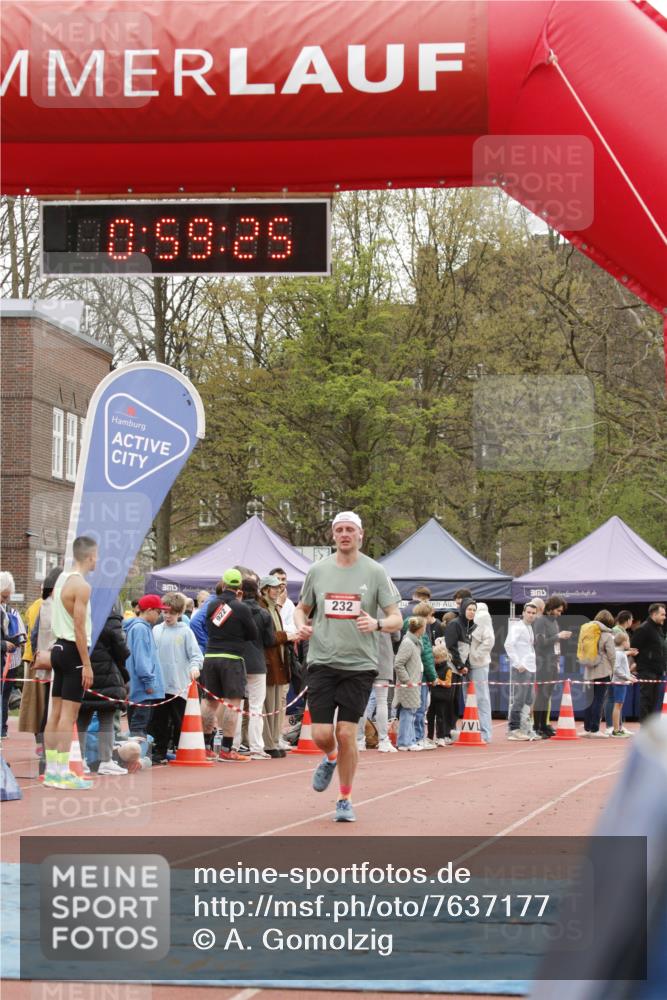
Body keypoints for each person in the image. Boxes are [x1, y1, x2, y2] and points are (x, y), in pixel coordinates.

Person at [294, 510, 401, 823]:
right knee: (321, 734)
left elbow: (396, 618)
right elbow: (301, 609)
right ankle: (330, 758)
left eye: (350, 530)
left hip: (359, 664)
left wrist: (377, 623)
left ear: (360, 535)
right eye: (339, 530)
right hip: (322, 661)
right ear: (333, 535)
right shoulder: (318, 570)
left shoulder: (375, 571)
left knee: (346, 732)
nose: (344, 534)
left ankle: (344, 798)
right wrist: (301, 625)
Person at [42, 536, 98, 790]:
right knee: (69, 715)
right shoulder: (81, 586)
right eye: (96, 556)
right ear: (90, 556)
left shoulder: (60, 579)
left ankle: (53, 771)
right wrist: (87, 664)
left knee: (55, 712)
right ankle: (63, 772)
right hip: (73, 651)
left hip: (58, 649)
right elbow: (78, 627)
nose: (97, 561)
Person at [203, 568, 258, 762]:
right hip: (232, 658)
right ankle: (226, 749)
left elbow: (207, 627)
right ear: (239, 586)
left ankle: (206, 746)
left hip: (211, 655)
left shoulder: (212, 605)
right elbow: (253, 634)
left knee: (209, 701)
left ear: (223, 584)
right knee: (233, 703)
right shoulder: (241, 607)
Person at [150, 592, 203, 764]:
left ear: (179, 613)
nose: (167, 616)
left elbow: (196, 655)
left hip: (179, 686)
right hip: (160, 686)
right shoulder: (156, 630)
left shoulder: (186, 632)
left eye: (172, 613)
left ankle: (182, 749)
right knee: (159, 720)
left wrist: (195, 667)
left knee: (179, 720)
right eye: (165, 612)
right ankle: (160, 751)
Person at [78, 606, 131, 774]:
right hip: (108, 673)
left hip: (83, 671)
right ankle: (106, 761)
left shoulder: (80, 611)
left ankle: (79, 760)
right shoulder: (110, 616)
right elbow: (121, 649)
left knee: (82, 718)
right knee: (107, 719)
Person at [122, 594, 167, 737]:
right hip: (143, 689)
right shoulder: (141, 629)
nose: (159, 615)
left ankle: (135, 749)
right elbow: (142, 660)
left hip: (137, 687)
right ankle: (136, 751)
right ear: (149, 610)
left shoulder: (137, 627)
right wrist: (149, 682)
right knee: (138, 729)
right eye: (158, 611)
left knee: (136, 727)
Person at [238, 578, 272, 759]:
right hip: (257, 662)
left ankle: (233, 745)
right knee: (256, 707)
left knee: (235, 705)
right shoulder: (264, 613)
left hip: (237, 660)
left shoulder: (233, 610)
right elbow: (270, 640)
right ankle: (257, 747)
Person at [259, 575, 290, 758]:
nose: (278, 590)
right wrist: (287, 636)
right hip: (269, 663)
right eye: (274, 587)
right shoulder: (262, 608)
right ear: (264, 589)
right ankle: (268, 743)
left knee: (276, 705)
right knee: (268, 705)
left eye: (280, 587)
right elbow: (268, 638)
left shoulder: (273, 608)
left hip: (278, 663)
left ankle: (274, 740)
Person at [533, 595, 571, 739]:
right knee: (541, 695)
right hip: (543, 663)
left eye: (561, 611)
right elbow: (541, 642)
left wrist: (557, 661)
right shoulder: (541, 621)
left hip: (553, 663)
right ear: (550, 609)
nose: (559, 614)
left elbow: (555, 644)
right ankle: (537, 726)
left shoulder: (553, 622)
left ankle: (544, 724)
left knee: (547, 695)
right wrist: (558, 636)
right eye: (558, 611)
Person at [504, 602, 538, 740]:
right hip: (522, 668)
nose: (531, 615)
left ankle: (525, 728)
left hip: (531, 667)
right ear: (523, 613)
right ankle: (514, 729)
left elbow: (528, 647)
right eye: (528, 612)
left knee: (529, 699)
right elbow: (508, 644)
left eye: (533, 613)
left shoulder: (529, 627)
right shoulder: (517, 627)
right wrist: (518, 663)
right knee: (519, 699)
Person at [580, 609, 616, 738]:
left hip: (588, 671)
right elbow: (612, 655)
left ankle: (587, 728)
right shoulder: (607, 635)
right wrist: (612, 670)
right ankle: (595, 729)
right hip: (603, 671)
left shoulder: (587, 632)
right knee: (599, 700)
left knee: (589, 700)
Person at [394, 617, 427, 750]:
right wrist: (407, 680)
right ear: (420, 629)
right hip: (409, 684)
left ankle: (409, 741)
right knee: (408, 712)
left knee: (411, 712)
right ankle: (404, 742)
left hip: (414, 682)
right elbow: (398, 663)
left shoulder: (414, 643)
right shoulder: (408, 643)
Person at [1, 572, 26, 739]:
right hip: (5, 658)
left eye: (7, 597)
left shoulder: (11, 612)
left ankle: (2, 728)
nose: (5, 600)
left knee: (4, 696)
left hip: (8, 662)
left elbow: (21, 637)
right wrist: (4, 644)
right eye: (3, 596)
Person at [632, 603, 667, 722]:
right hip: (647, 670)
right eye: (662, 614)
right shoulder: (643, 629)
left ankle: (650, 726)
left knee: (654, 700)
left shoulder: (658, 629)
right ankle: (645, 726)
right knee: (646, 699)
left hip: (658, 671)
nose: (664, 617)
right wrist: (641, 664)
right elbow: (634, 649)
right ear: (654, 614)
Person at [469, 601, 495, 743]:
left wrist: (476, 655)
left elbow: (489, 640)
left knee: (481, 698)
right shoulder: (477, 615)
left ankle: (485, 733)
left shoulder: (481, 616)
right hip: (474, 663)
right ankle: (477, 730)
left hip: (478, 664)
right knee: (476, 698)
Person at [609, 631, 637, 738]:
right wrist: (628, 677)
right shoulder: (619, 654)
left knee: (619, 706)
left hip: (621, 682)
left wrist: (630, 676)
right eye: (628, 640)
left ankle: (618, 729)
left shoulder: (620, 653)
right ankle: (616, 730)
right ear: (624, 642)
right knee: (618, 705)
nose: (629, 643)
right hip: (619, 683)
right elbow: (616, 670)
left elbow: (623, 669)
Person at [428, 641, 455, 746]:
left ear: (442, 657)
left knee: (440, 717)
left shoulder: (448, 669)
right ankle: (429, 737)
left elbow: (448, 683)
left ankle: (441, 737)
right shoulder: (433, 667)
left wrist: (438, 681)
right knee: (430, 716)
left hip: (442, 697)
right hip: (433, 696)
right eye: (433, 658)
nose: (434, 660)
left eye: (436, 658)